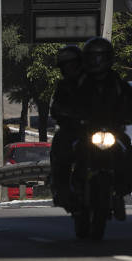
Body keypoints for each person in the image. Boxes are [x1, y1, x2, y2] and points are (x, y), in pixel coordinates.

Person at [73, 37, 132, 217]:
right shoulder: (82, 82)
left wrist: (126, 116)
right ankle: (73, 188)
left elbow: (128, 101)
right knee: (72, 149)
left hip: (113, 130)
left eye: (101, 57)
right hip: (88, 131)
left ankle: (121, 190)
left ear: (109, 59)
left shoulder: (117, 82)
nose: (97, 62)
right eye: (94, 57)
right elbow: (69, 101)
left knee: (126, 148)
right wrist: (70, 116)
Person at [49, 44, 84, 209]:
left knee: (123, 143)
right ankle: (60, 189)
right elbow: (55, 108)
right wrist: (64, 114)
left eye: (73, 64)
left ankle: (123, 183)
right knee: (59, 146)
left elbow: (118, 100)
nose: (70, 68)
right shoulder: (64, 86)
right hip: (74, 130)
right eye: (66, 65)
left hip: (99, 129)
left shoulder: (98, 81)